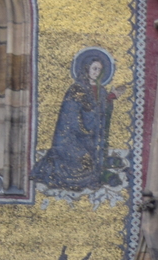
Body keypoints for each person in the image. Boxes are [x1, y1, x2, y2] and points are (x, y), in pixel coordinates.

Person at [32, 48, 119, 190]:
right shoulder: (76, 89)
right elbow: (71, 116)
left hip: (91, 140)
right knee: (84, 166)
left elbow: (102, 112)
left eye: (99, 70)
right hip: (71, 138)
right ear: (86, 68)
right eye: (94, 69)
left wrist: (110, 99)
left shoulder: (102, 90)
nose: (97, 73)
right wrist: (87, 127)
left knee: (93, 166)